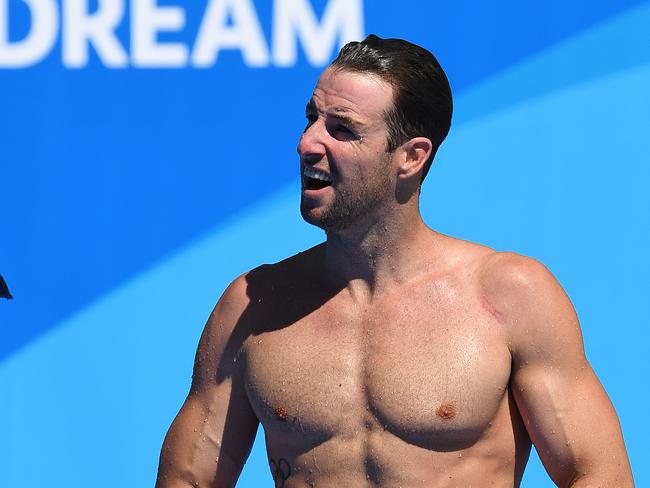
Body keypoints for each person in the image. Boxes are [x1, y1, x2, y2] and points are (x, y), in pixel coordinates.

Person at [155, 35, 633, 487]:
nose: (307, 143)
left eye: (341, 130)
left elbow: (597, 472)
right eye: (311, 120)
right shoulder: (255, 306)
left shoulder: (508, 297)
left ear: (411, 157)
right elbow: (189, 478)